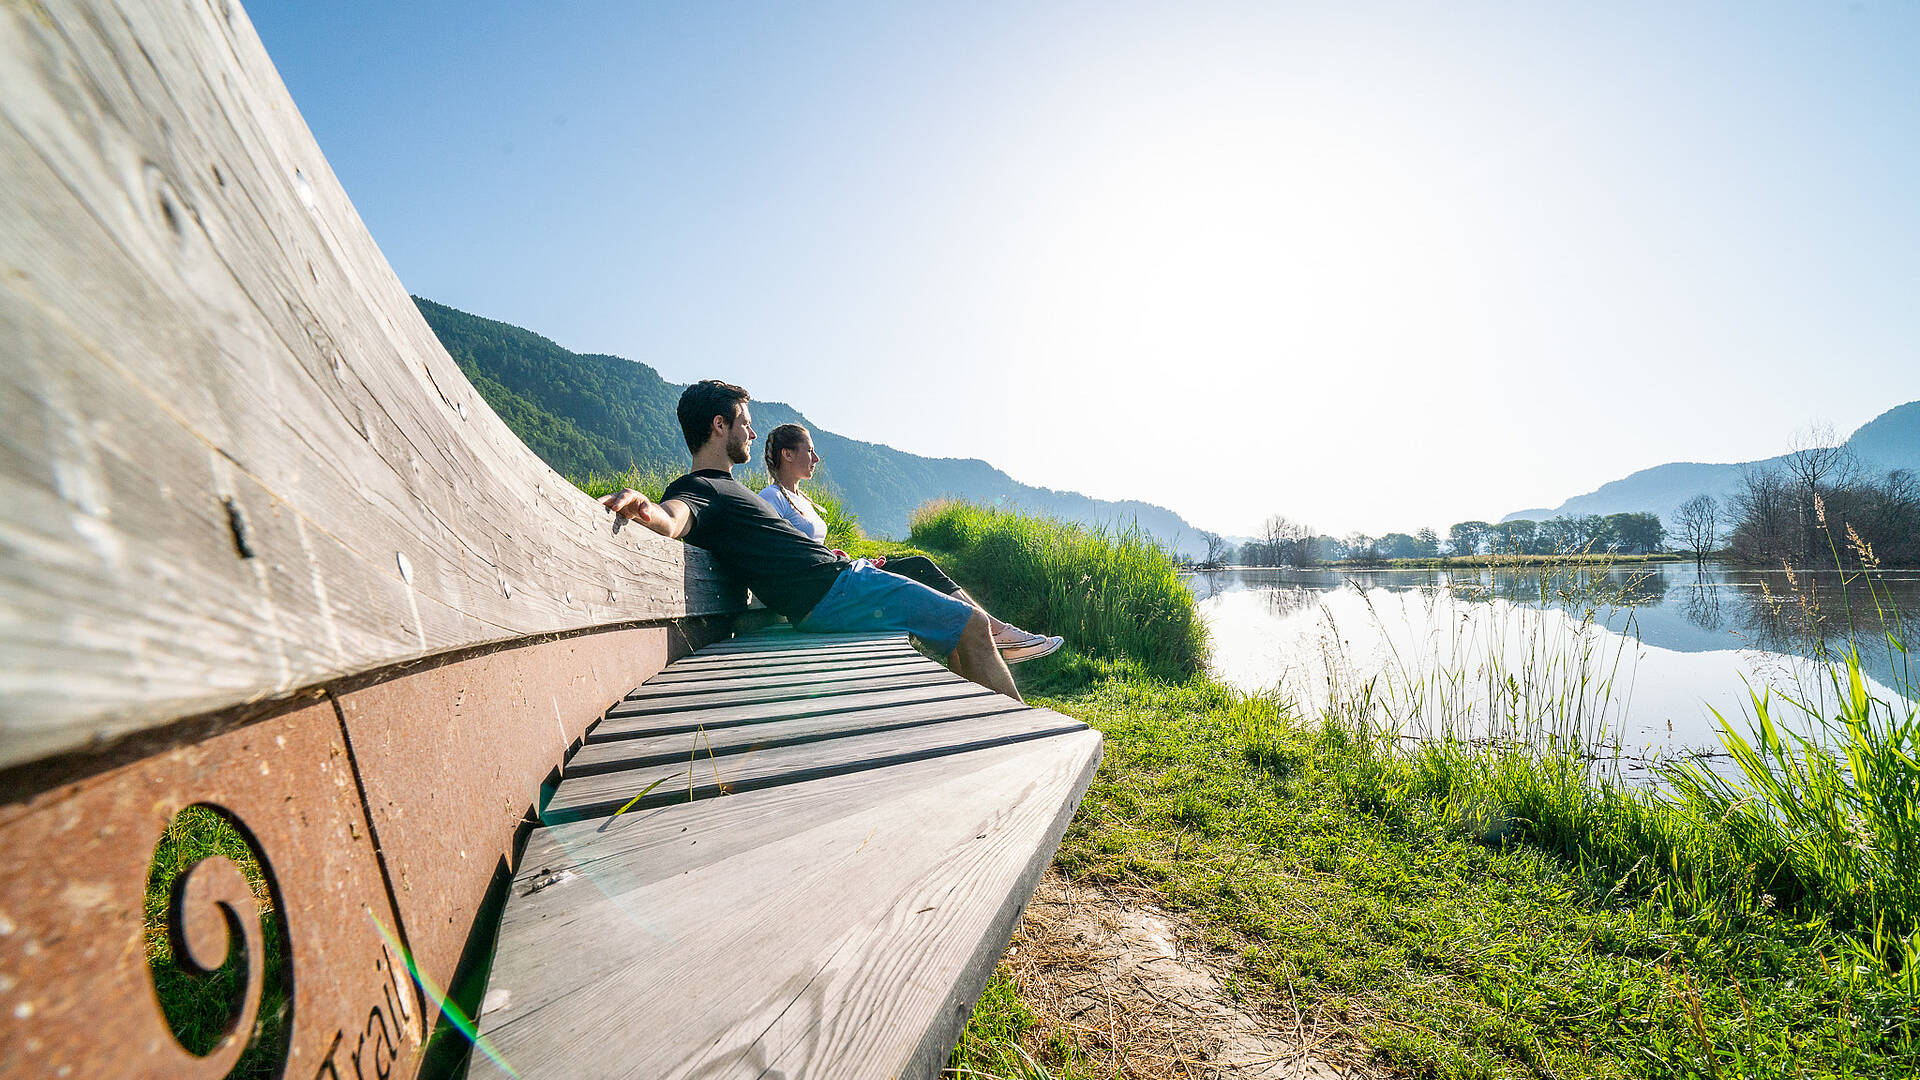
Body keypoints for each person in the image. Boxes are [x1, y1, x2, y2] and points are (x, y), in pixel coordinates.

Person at [598, 381, 1027, 700]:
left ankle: (983, 728)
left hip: (837, 582)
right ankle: (1023, 741)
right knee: (971, 624)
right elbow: (674, 519)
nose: (750, 435)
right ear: (719, 425)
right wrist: (643, 506)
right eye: (744, 425)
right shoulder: (700, 488)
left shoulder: (726, 487)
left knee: (956, 631)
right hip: (834, 592)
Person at [757, 422, 1063, 664]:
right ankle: (998, 632)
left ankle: (994, 630)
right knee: (918, 568)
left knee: (920, 565)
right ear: (787, 454)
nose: (816, 458)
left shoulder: (802, 500)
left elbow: (810, 550)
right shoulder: (771, 498)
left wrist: (841, 557)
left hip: (838, 574)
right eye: (809, 451)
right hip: (825, 592)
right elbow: (787, 554)